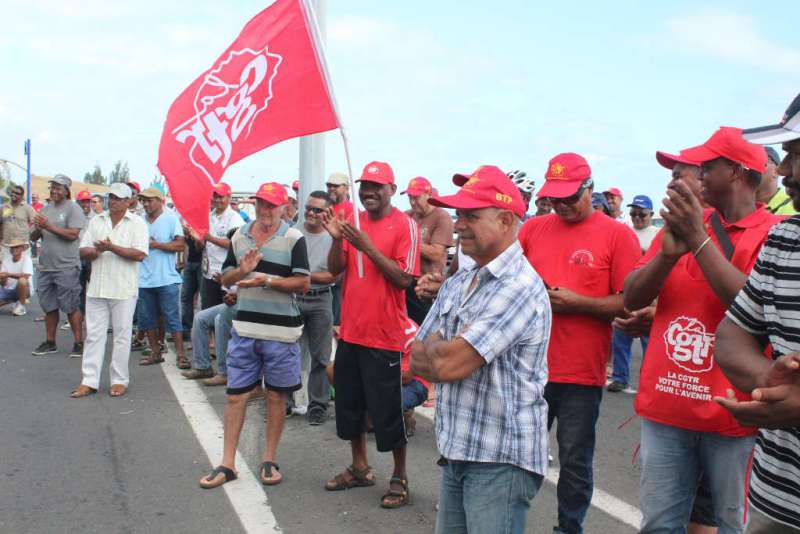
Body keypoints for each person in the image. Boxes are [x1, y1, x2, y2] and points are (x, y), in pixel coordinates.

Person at [624, 127, 779, 534]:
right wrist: (666, 258)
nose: (695, 176)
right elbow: (631, 297)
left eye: (706, 166)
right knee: (658, 524)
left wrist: (697, 240)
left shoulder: (773, 234)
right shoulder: (679, 226)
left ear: (737, 172)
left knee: (733, 525)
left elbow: (758, 313)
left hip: (734, 417)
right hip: (667, 409)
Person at [410, 165, 551, 534]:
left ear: (506, 220)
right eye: (458, 214)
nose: (458, 224)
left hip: (499, 460)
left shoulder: (517, 286)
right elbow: (418, 356)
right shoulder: (461, 281)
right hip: (459, 450)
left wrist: (441, 350)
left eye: (471, 216)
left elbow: (446, 366)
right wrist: (442, 349)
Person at [518, 153, 641, 534]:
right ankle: (507, 522)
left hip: (579, 373)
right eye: (555, 198)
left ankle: (569, 528)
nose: (562, 205)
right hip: (527, 369)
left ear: (590, 189)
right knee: (519, 456)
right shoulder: (534, 229)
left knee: (574, 460)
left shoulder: (617, 234)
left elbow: (630, 302)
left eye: (570, 197)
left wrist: (579, 303)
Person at [713, 92, 800, 533]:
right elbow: (731, 337)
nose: (783, 171)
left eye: (797, 154)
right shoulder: (787, 239)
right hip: (775, 497)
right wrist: (771, 390)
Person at [320, 161, 420, 509]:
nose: (369, 192)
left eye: (377, 186)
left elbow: (405, 279)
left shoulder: (405, 225)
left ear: (392, 189)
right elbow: (335, 270)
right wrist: (338, 241)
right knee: (350, 407)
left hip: (385, 336)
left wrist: (367, 247)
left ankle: (399, 476)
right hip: (351, 332)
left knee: (387, 411)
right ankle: (359, 467)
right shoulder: (354, 224)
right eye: (365, 186)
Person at [198, 181, 310, 489]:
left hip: (281, 332)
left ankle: (269, 459)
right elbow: (227, 278)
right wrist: (241, 271)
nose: (265, 211)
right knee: (236, 397)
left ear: (284, 206)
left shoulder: (293, 238)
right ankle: (227, 463)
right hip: (245, 329)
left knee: (276, 396)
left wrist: (266, 280)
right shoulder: (240, 236)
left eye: (272, 205)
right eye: (261, 204)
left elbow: (303, 283)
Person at [70, 183, 148, 398]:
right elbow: (83, 249)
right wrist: (96, 251)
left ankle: (119, 380)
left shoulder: (137, 223)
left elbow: (140, 254)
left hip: (123, 288)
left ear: (128, 202)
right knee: (94, 335)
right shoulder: (97, 220)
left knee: (122, 336)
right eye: (110, 197)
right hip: (97, 286)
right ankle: (89, 381)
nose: (112, 201)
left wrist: (111, 247)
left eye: (117, 198)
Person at [607, 194, 659, 392]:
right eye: (634, 213)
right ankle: (620, 377)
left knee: (648, 341)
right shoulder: (625, 233)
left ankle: (649, 382)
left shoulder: (657, 234)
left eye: (642, 214)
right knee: (621, 337)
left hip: (650, 296)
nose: (637, 218)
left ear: (651, 215)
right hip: (627, 293)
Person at [31, 174, 86, 357]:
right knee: (49, 307)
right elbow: (33, 237)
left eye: (58, 188)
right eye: (52, 187)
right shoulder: (45, 209)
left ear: (66, 191)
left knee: (71, 307)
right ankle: (50, 342)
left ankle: (78, 343)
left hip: (66, 266)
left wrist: (48, 226)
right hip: (46, 267)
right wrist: (38, 228)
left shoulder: (73, 209)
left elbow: (73, 235)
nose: (54, 190)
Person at [294, 190, 335, 424]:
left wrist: (302, 276)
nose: (310, 213)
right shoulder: (293, 233)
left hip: (321, 299)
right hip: (294, 298)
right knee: (288, 352)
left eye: (317, 209)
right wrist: (307, 278)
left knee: (321, 357)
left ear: (327, 212)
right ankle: (285, 401)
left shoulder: (332, 238)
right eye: (308, 208)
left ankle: (318, 406)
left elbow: (333, 276)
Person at [136, 187, 188, 368]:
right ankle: (155, 352)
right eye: (143, 200)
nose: (145, 204)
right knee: (147, 318)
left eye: (149, 200)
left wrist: (156, 244)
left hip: (167, 278)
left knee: (172, 318)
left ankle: (181, 355)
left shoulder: (171, 218)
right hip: (143, 278)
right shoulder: (139, 221)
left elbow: (180, 245)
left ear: (160, 201)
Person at [402, 176, 454, 325]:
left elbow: (436, 253)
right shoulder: (407, 215)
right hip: (405, 282)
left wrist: (407, 241)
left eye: (416, 197)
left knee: (424, 330)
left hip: (426, 285)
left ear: (428, 195)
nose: (412, 202)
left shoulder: (442, 217)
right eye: (410, 197)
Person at [199, 182, 244, 310]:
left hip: (226, 275)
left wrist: (210, 238)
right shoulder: (209, 216)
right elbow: (205, 243)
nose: (217, 200)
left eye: (221, 197)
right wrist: (198, 239)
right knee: (208, 312)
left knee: (224, 315)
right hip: (208, 273)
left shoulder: (234, 218)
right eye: (215, 196)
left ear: (229, 198)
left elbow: (235, 244)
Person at [179, 222, 204, 343]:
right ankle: (185, 330)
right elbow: (185, 246)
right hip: (190, 263)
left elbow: (201, 246)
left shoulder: (204, 222)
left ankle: (203, 333)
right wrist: (183, 261)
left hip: (202, 263)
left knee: (202, 299)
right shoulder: (187, 223)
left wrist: (194, 235)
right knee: (185, 297)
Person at [756, 146, 798, 215]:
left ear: (776, 171)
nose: (751, 169)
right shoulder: (738, 205)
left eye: (759, 162)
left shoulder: (793, 207)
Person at [1, 184, 36, 264]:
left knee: (24, 273)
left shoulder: (27, 208)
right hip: (6, 246)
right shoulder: (4, 207)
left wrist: (29, 237)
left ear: (21, 196)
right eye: (12, 192)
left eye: (17, 193)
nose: (13, 194)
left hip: (22, 247)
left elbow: (35, 223)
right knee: (6, 274)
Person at [0, 239, 32, 316]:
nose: (14, 249)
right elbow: (3, 284)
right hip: (8, 290)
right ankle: (14, 300)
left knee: (22, 280)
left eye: (17, 247)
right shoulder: (6, 261)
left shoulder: (26, 259)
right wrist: (2, 278)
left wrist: (8, 274)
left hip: (25, 289)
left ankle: (21, 305)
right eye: (12, 247)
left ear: (22, 248)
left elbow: (26, 276)